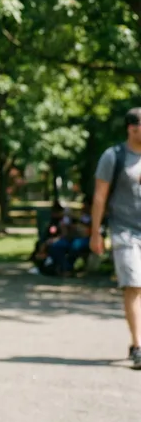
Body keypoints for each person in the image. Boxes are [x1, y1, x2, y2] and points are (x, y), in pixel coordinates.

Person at [90, 108, 141, 370]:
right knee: (133, 284)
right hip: (125, 230)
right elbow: (99, 196)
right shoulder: (114, 157)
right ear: (132, 129)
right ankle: (138, 345)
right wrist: (95, 232)